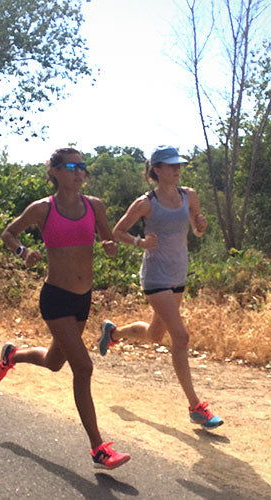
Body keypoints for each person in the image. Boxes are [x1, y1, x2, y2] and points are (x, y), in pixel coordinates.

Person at [0, 147, 131, 470]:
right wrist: (23, 251)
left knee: (55, 362)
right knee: (83, 368)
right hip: (55, 298)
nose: (80, 172)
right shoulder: (43, 208)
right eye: (72, 167)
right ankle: (98, 448)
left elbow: (107, 240)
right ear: (54, 171)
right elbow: (8, 233)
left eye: (83, 167)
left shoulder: (94, 205)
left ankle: (12, 356)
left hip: (83, 299)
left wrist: (110, 246)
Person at [98, 145, 223, 429]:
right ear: (157, 169)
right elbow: (118, 231)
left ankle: (113, 333)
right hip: (155, 277)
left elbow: (197, 230)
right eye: (170, 165)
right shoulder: (146, 203)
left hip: (179, 273)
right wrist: (140, 242)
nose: (177, 169)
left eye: (179, 164)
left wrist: (201, 225)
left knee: (155, 335)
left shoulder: (189, 196)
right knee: (181, 337)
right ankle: (196, 407)